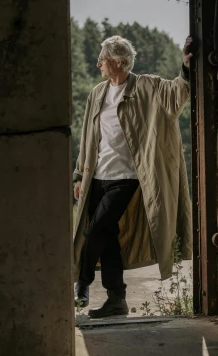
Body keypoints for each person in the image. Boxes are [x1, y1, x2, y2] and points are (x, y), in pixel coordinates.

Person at [73, 34, 194, 318]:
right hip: (97, 177)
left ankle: (82, 282)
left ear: (119, 61)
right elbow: (87, 137)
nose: (98, 64)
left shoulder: (146, 86)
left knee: (95, 230)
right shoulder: (97, 93)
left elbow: (177, 92)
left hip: (126, 177)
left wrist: (186, 65)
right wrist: (79, 175)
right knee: (108, 235)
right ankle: (117, 300)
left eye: (102, 59)